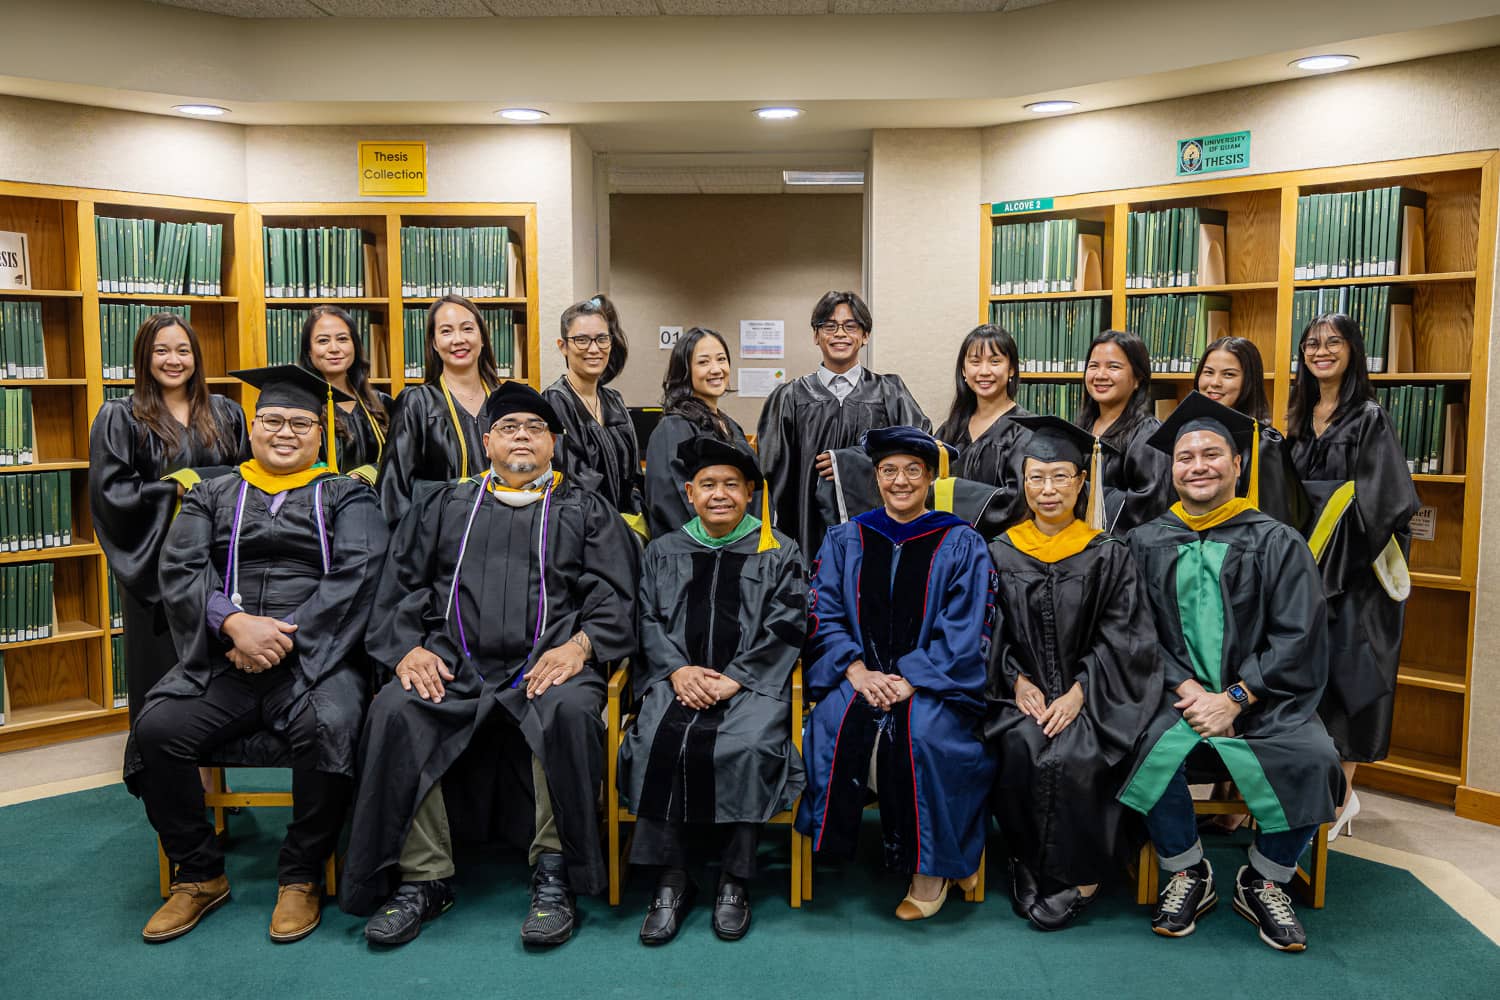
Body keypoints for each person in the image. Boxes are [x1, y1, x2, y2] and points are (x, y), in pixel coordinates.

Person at [341, 381, 638, 948]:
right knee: (398, 708)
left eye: (534, 429)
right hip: (454, 664)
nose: (522, 437)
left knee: (571, 711)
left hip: (546, 664)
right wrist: (410, 648)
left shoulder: (584, 507)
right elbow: (401, 586)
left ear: (553, 444)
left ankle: (556, 873)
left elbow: (616, 593)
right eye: (509, 429)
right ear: (486, 443)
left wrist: (581, 646)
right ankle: (423, 878)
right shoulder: (445, 505)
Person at [127, 365, 388, 944]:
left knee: (336, 723)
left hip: (314, 659)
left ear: (321, 435)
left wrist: (282, 638)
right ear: (252, 426)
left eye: (301, 422)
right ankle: (197, 874)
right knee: (158, 728)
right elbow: (181, 567)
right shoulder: (211, 494)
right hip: (223, 654)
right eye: (272, 420)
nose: (285, 432)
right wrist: (235, 625)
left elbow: (359, 571)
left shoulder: (347, 494)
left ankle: (300, 875)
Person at [1118, 393, 1344, 953]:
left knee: (1316, 759)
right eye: (1185, 457)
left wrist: (1237, 697)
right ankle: (1187, 869)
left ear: (1237, 464)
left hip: (1265, 702)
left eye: (1212, 454)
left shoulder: (1276, 541)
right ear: (1171, 469)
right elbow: (1134, 633)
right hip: (1175, 700)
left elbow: (1300, 636)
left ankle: (1265, 877)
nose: (1198, 465)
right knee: (1138, 746)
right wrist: (1189, 689)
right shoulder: (1144, 543)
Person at [795, 425, 994, 921]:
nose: (899, 481)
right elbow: (824, 610)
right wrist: (857, 670)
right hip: (858, 677)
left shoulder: (961, 541)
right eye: (888, 471)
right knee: (830, 726)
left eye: (911, 470)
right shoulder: (846, 538)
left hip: (932, 684)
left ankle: (931, 868)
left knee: (924, 736)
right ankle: (865, 847)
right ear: (875, 477)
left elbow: (967, 625)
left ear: (929, 477)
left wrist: (911, 679)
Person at [619, 437, 805, 945]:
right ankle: (672, 877)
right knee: (656, 738)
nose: (719, 494)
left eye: (730, 485)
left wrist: (737, 677)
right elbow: (647, 620)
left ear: (750, 493)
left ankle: (734, 878)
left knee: (747, 746)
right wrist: (677, 671)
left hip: (750, 686)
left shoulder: (778, 549)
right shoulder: (663, 550)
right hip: (677, 680)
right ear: (688, 492)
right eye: (707, 485)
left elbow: (788, 623)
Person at [985, 415, 1158, 932]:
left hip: (1095, 694)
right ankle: (1025, 862)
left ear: (1082, 482)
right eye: (1036, 477)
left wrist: (1082, 691)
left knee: (1081, 752)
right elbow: (987, 632)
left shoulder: (1108, 552)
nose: (1048, 489)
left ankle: (1079, 876)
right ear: (1023, 482)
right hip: (1019, 693)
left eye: (1061, 476)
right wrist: (1015, 680)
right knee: (1019, 742)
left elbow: (1126, 637)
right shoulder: (1000, 551)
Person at [1286, 313, 1420, 837]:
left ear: (1353, 351)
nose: (1321, 351)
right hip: (1304, 570)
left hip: (1353, 576)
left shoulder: (1368, 418)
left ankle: (1338, 801)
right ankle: (1303, 794)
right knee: (1304, 681)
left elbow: (1387, 502)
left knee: (1348, 680)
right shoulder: (1299, 418)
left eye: (1333, 342)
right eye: (1311, 343)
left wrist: (1336, 551)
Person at [89, 312, 248, 731]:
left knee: (220, 679)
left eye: (183, 350)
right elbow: (112, 496)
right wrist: (175, 489)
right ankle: (175, 789)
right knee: (166, 682)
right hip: (157, 570)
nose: (173, 360)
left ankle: (218, 788)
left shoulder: (226, 412)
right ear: (145, 357)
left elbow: (246, 477)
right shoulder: (120, 417)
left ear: (196, 356)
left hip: (217, 564)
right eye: (161, 350)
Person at [756, 291, 930, 562]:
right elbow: (771, 473)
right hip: (806, 533)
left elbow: (917, 447)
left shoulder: (889, 393)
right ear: (816, 335)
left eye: (851, 326)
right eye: (829, 326)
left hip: (877, 530)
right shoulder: (790, 397)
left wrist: (848, 461)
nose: (840, 334)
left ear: (865, 335)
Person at [377, 295, 502, 524]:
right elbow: (395, 490)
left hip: (502, 534)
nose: (458, 339)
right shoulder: (416, 403)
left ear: (482, 337)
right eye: (446, 332)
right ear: (434, 343)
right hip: (438, 538)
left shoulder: (507, 403)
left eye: (467, 329)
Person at [643, 327, 751, 538]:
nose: (716, 369)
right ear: (685, 371)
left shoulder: (730, 425)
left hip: (735, 545)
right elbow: (673, 503)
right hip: (694, 555)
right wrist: (720, 542)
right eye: (703, 362)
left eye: (721, 359)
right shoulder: (673, 427)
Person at [543, 294, 643, 517]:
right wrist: (612, 525)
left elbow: (634, 473)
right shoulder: (555, 401)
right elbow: (574, 478)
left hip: (627, 525)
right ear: (563, 347)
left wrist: (636, 518)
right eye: (582, 340)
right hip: (584, 527)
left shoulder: (614, 401)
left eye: (601, 339)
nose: (594, 349)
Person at [1194, 336, 1308, 531]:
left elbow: (1276, 524)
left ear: (1249, 381)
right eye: (1208, 372)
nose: (1214, 382)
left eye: (1229, 375)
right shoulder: (1191, 436)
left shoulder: (1264, 443)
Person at [935, 323, 1032, 530]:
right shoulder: (950, 429)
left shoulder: (1025, 432)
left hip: (996, 549)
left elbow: (1017, 502)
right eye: (975, 362)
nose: (984, 371)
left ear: (1011, 369)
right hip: (946, 543)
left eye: (995, 361)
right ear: (963, 370)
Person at [1076, 330, 1172, 534]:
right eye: (1093, 366)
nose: (1100, 375)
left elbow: (1148, 506)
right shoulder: (1081, 427)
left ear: (1138, 379)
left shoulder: (1147, 433)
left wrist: (1081, 495)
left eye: (1113, 367)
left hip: (1121, 552)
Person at [298, 304, 393, 485]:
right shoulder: (301, 409)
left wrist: (367, 474)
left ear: (354, 346)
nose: (334, 348)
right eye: (323, 341)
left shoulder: (383, 404)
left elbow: (403, 459)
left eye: (342, 339)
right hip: (323, 506)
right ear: (309, 351)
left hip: (380, 507)